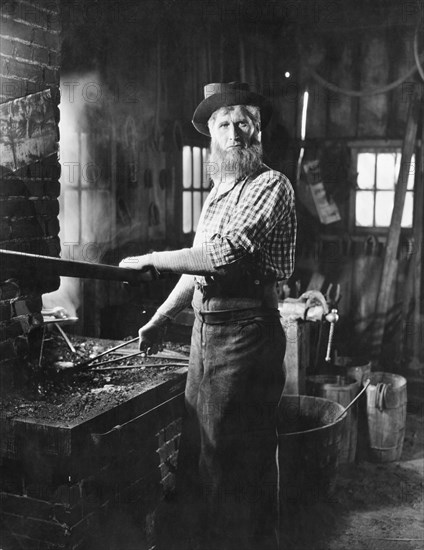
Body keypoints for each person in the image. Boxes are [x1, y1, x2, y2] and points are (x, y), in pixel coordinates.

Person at [119, 81, 297, 550]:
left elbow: (223, 256)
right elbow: (199, 266)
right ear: (211, 135)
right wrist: (162, 314)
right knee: (202, 456)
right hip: (206, 334)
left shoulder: (271, 186)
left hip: (245, 337)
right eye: (224, 124)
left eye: (245, 123)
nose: (235, 132)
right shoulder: (218, 191)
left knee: (236, 465)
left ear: (258, 132)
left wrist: (151, 258)